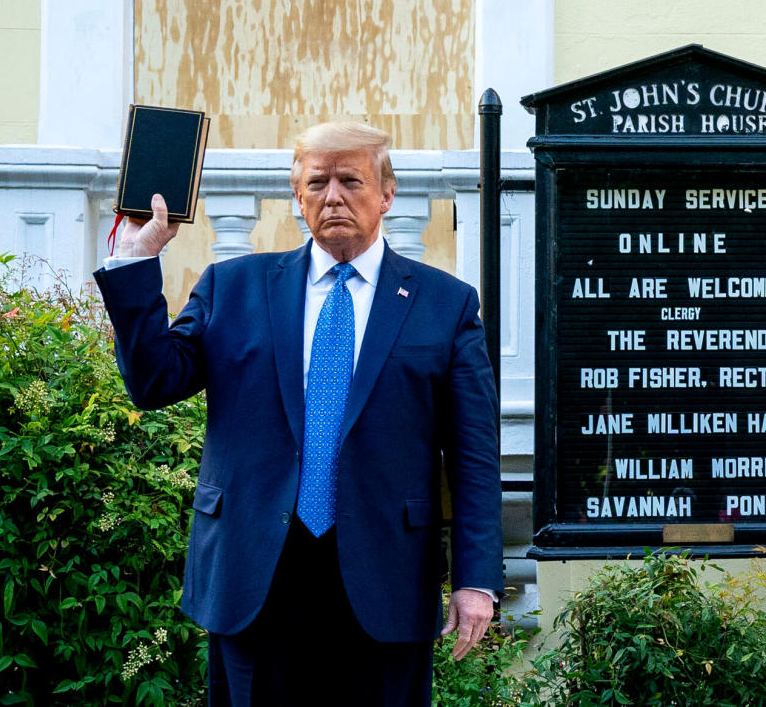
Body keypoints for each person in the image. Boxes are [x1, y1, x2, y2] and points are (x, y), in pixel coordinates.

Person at [94, 121, 502, 706]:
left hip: (384, 578)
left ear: (387, 195)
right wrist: (135, 263)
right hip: (254, 575)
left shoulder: (445, 304)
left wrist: (476, 578)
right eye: (317, 182)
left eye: (350, 180)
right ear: (297, 197)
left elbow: (473, 458)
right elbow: (155, 381)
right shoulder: (234, 287)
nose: (332, 196)